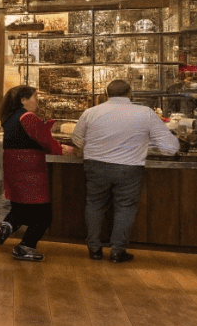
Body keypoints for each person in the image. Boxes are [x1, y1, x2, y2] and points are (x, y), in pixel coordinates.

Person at [71, 79, 180, 262]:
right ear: (130, 93)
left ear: (106, 94)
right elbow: (170, 147)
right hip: (128, 167)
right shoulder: (145, 113)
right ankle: (117, 251)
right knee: (125, 207)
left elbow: (77, 139)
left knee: (95, 205)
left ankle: (94, 249)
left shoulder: (90, 112)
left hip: (95, 165)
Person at [0, 85, 74, 262]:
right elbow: (45, 141)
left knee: (19, 208)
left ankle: (8, 224)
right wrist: (62, 149)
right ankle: (25, 247)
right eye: (35, 97)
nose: (37, 101)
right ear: (24, 100)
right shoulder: (28, 117)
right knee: (44, 215)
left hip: (13, 167)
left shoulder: (9, 118)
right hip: (30, 169)